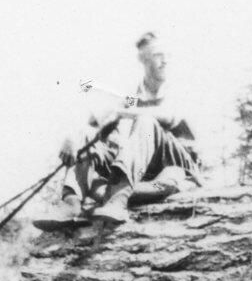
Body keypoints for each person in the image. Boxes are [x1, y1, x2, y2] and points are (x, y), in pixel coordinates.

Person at [36, 32, 201, 237]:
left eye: (169, 55)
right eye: (158, 55)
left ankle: (117, 199)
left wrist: (122, 113)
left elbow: (168, 116)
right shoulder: (134, 95)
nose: (165, 60)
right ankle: (71, 203)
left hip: (177, 166)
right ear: (143, 59)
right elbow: (97, 117)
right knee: (88, 135)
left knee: (146, 121)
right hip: (144, 170)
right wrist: (72, 137)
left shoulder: (178, 88)